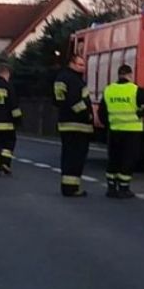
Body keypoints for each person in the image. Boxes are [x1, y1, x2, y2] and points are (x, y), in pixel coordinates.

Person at [97, 64, 144, 199]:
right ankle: (124, 188)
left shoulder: (109, 90)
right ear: (130, 75)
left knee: (113, 159)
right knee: (128, 159)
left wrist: (109, 124)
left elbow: (102, 113)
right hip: (132, 131)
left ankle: (111, 188)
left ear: (118, 75)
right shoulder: (135, 90)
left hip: (114, 130)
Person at [53, 54, 93, 197]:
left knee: (68, 156)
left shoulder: (61, 78)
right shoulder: (75, 80)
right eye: (80, 65)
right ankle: (72, 188)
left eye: (83, 65)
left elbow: (58, 101)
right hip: (78, 125)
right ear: (72, 63)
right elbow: (75, 101)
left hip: (65, 123)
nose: (83, 68)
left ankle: (68, 186)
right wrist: (86, 115)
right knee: (76, 157)